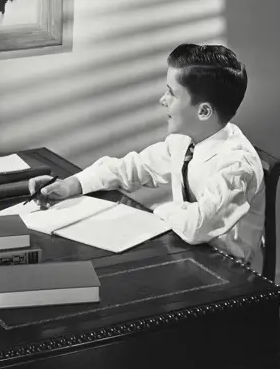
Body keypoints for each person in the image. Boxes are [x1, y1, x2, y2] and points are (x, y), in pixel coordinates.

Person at [29, 43, 265, 264]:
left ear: (203, 111)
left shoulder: (237, 166)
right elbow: (132, 168)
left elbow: (196, 226)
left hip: (228, 270)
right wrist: (72, 184)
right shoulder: (183, 142)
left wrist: (159, 210)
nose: (163, 100)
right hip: (188, 253)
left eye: (172, 93)